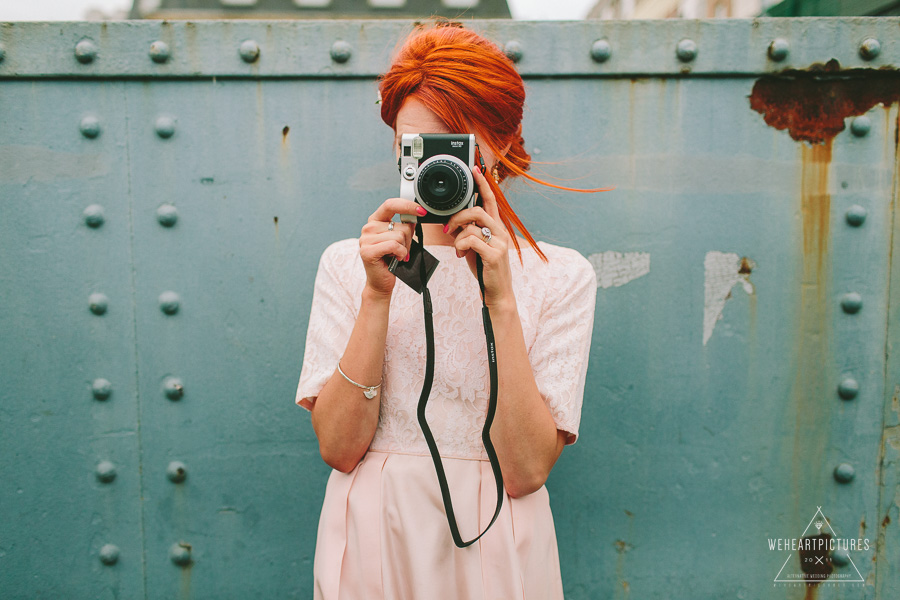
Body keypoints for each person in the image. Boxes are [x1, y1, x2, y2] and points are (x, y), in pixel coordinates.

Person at [295, 19, 608, 600]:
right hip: (375, 534)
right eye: (413, 149)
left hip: (497, 534)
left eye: (453, 147)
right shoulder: (350, 265)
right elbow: (338, 449)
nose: (436, 168)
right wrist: (375, 297)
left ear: (503, 147)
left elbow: (527, 472)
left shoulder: (559, 275)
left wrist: (499, 297)